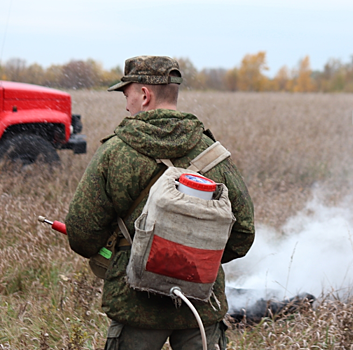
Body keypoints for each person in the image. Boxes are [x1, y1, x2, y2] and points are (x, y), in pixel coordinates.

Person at [65, 56, 255, 350]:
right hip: (200, 308)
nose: (126, 104)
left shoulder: (114, 152)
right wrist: (195, 260)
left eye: (126, 95)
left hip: (134, 307)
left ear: (144, 94)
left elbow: (81, 235)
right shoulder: (213, 154)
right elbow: (243, 233)